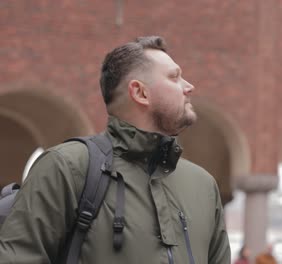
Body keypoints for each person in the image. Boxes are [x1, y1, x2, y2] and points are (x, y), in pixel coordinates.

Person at [0, 36, 231, 263]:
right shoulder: (67, 167)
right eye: (174, 77)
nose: (189, 87)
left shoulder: (203, 185)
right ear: (140, 92)